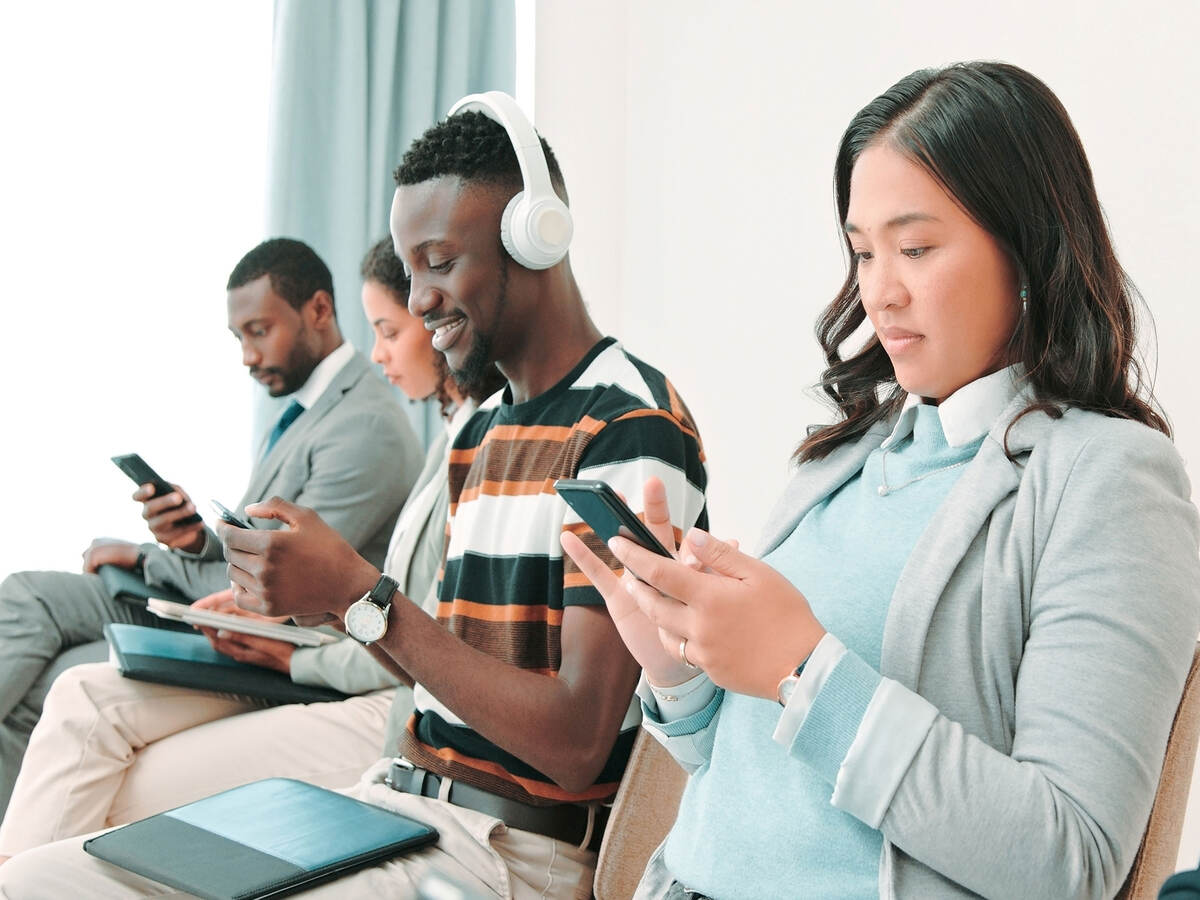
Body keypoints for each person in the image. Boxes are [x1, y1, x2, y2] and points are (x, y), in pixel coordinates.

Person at [0, 93, 709, 898]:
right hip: (400, 803)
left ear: (535, 239)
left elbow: (577, 741)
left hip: (508, 851)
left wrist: (359, 597)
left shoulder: (627, 426)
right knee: (38, 878)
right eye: (411, 273)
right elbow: (445, 664)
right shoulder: (483, 433)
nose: (418, 301)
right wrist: (332, 602)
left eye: (440, 262)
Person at [559, 61, 1200, 900]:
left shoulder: (1108, 481)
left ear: (1029, 250)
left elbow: (1068, 862)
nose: (879, 292)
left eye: (916, 247)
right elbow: (749, 777)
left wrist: (801, 665)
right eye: (863, 252)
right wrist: (677, 666)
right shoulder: (839, 462)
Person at [0, 237, 503, 863]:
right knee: (47, 639)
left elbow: (334, 594)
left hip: (324, 660)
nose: (380, 355)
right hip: (297, 638)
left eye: (391, 330)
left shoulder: (383, 429)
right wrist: (189, 541)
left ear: (318, 311)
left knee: (74, 688)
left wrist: (281, 644)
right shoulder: (423, 437)